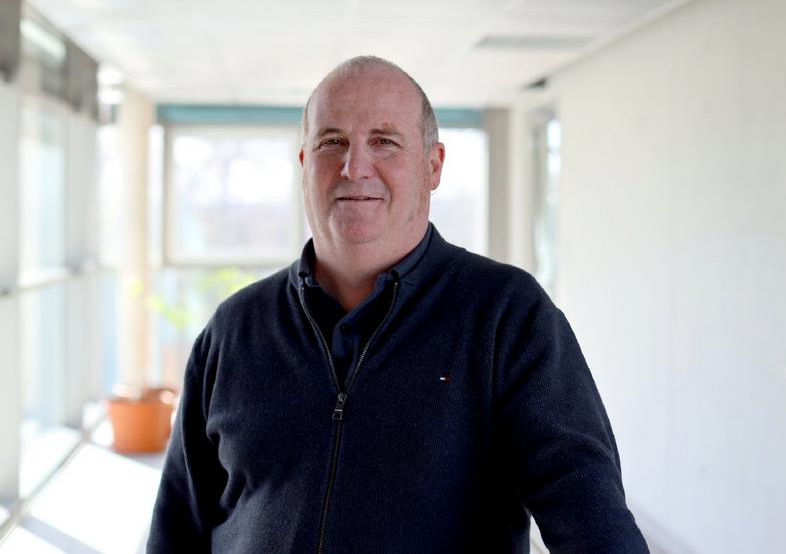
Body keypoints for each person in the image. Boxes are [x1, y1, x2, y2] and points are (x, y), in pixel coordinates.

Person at [147, 56, 648, 553]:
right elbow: (177, 527)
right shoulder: (234, 329)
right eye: (331, 142)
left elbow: (594, 524)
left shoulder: (507, 317)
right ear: (304, 165)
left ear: (433, 166)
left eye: (384, 141)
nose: (354, 167)